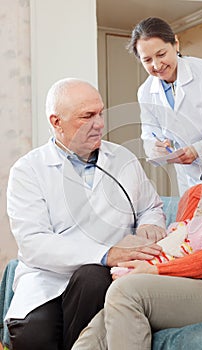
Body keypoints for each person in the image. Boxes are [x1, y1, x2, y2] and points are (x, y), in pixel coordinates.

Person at [72, 114, 202, 350]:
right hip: (190, 286)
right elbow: (180, 248)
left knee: (126, 291)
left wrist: (155, 270)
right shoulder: (195, 194)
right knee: (101, 321)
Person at [5, 78, 167, 350]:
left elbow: (150, 207)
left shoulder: (123, 159)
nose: (100, 123)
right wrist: (106, 252)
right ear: (56, 122)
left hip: (101, 278)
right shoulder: (28, 170)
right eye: (87, 116)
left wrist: (149, 226)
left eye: (101, 113)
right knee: (34, 337)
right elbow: (33, 243)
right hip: (47, 279)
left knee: (92, 277)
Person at [128, 17, 202, 196]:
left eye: (161, 54)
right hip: (189, 178)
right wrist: (156, 148)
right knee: (194, 221)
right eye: (147, 60)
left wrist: (198, 149)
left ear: (175, 43)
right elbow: (149, 134)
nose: (157, 65)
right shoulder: (145, 91)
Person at [111, 191, 202, 275]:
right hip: (165, 246)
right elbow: (174, 229)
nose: (199, 212)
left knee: (155, 260)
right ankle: (123, 269)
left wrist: (196, 225)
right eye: (199, 208)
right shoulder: (191, 222)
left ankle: (127, 272)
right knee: (147, 253)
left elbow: (199, 244)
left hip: (175, 257)